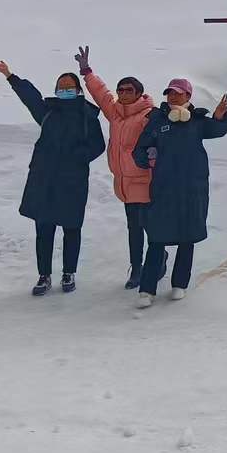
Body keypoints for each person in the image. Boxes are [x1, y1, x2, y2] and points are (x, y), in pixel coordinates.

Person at [0, 59, 106, 296]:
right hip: (44, 178)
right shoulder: (47, 111)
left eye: (68, 86)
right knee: (44, 227)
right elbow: (30, 97)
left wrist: (77, 158)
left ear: (78, 90)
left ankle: (68, 272)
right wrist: (10, 76)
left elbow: (98, 145)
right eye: (60, 86)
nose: (64, 90)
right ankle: (44, 275)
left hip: (72, 180)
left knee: (72, 227)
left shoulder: (88, 116)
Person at [130, 78, 227, 309]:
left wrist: (220, 116)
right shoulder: (156, 121)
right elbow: (139, 150)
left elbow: (216, 129)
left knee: (188, 236)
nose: (173, 97)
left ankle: (180, 284)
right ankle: (147, 289)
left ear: (188, 96)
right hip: (163, 189)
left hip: (191, 189)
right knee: (157, 238)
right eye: (169, 93)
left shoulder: (196, 121)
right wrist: (148, 157)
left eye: (178, 93)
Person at [75, 45, 156, 289]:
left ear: (139, 93)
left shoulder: (149, 115)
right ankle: (137, 267)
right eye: (120, 89)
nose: (123, 93)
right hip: (123, 182)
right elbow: (101, 94)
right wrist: (86, 71)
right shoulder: (116, 113)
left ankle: (153, 262)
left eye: (128, 90)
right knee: (133, 227)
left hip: (144, 180)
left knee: (148, 226)